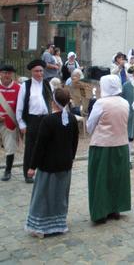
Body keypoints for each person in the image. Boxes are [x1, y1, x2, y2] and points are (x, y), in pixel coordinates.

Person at [25, 88, 79, 238]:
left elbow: (39, 146)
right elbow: (74, 143)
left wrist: (32, 167)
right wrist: (71, 158)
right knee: (60, 196)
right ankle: (58, 224)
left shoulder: (48, 120)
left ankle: (41, 227)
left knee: (43, 196)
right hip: (65, 165)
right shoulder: (72, 118)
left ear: (53, 102)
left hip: (48, 167)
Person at [86, 75, 131, 223]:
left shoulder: (101, 103)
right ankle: (114, 208)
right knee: (117, 178)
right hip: (121, 145)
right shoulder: (125, 103)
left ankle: (100, 212)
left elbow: (90, 125)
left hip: (102, 146)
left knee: (101, 180)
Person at [16, 60, 53, 183]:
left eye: (41, 70)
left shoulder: (48, 84)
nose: (39, 73)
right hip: (32, 120)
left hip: (46, 120)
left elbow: (52, 103)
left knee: (46, 146)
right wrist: (21, 123)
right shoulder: (25, 86)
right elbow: (19, 107)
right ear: (32, 72)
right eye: (36, 71)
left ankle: (43, 171)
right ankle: (28, 173)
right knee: (31, 147)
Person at [0, 65, 20, 181]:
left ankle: (8, 170)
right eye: (4, 73)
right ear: (0, 74)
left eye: (9, 73)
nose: (7, 75)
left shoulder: (19, 88)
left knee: (10, 147)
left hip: (10, 122)